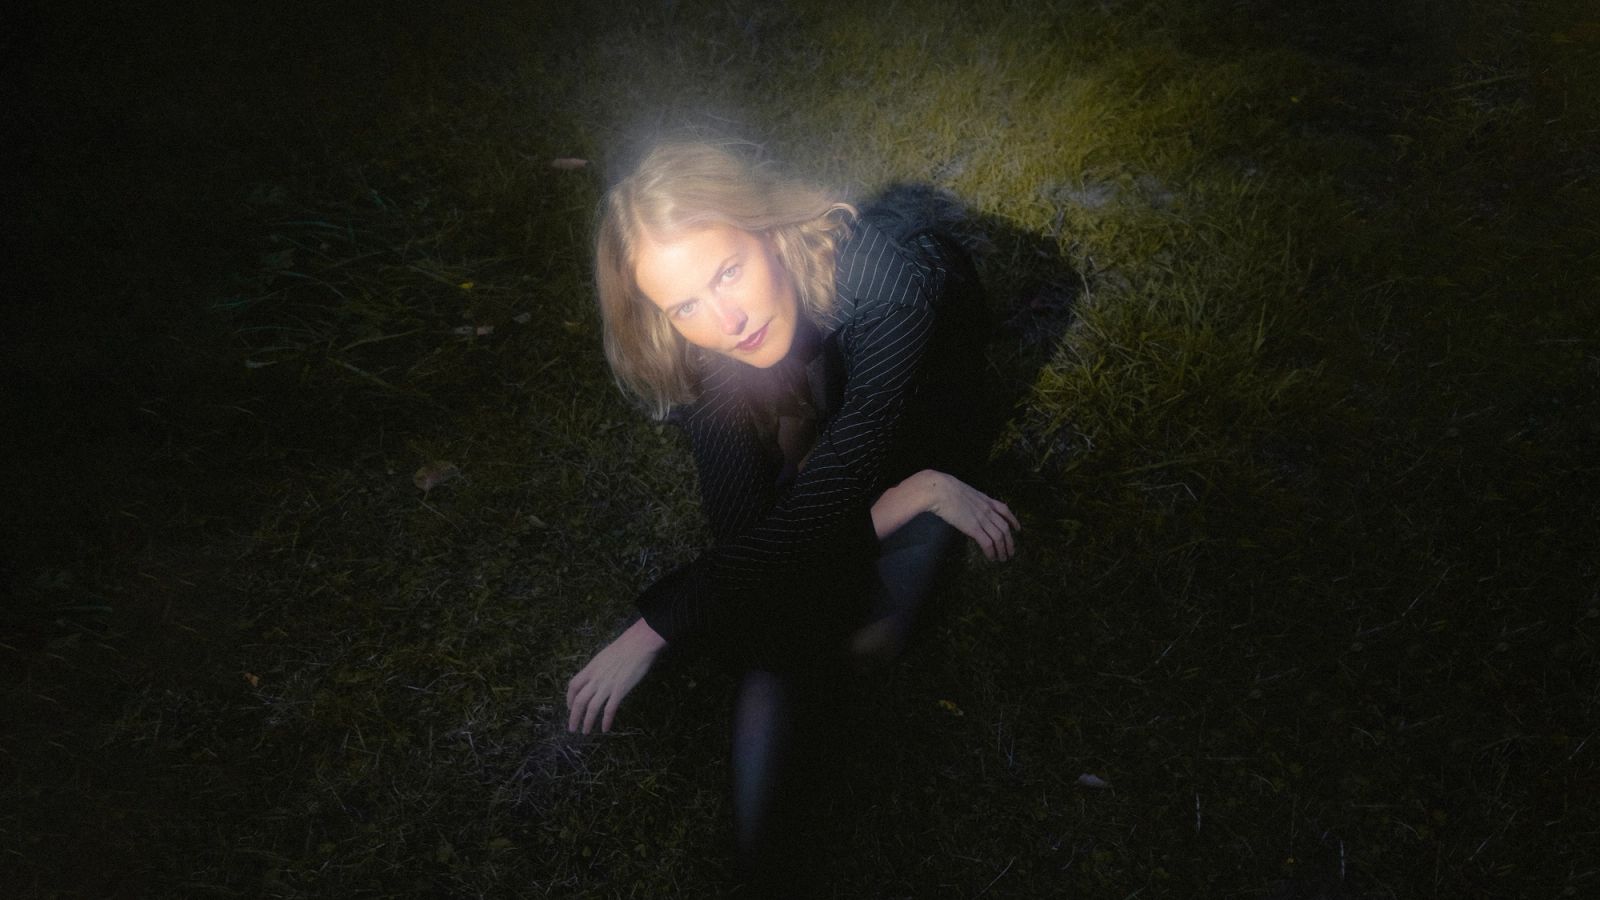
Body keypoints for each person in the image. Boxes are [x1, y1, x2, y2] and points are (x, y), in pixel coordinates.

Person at [564, 140, 1019, 891]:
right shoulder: (714, 338)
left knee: (867, 635)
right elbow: (749, 539)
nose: (727, 317)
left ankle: (910, 482)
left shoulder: (888, 286)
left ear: (767, 229)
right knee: (782, 607)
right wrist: (893, 503)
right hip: (835, 413)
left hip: (919, 402)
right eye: (685, 305)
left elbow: (818, 511)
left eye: (727, 271)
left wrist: (657, 627)